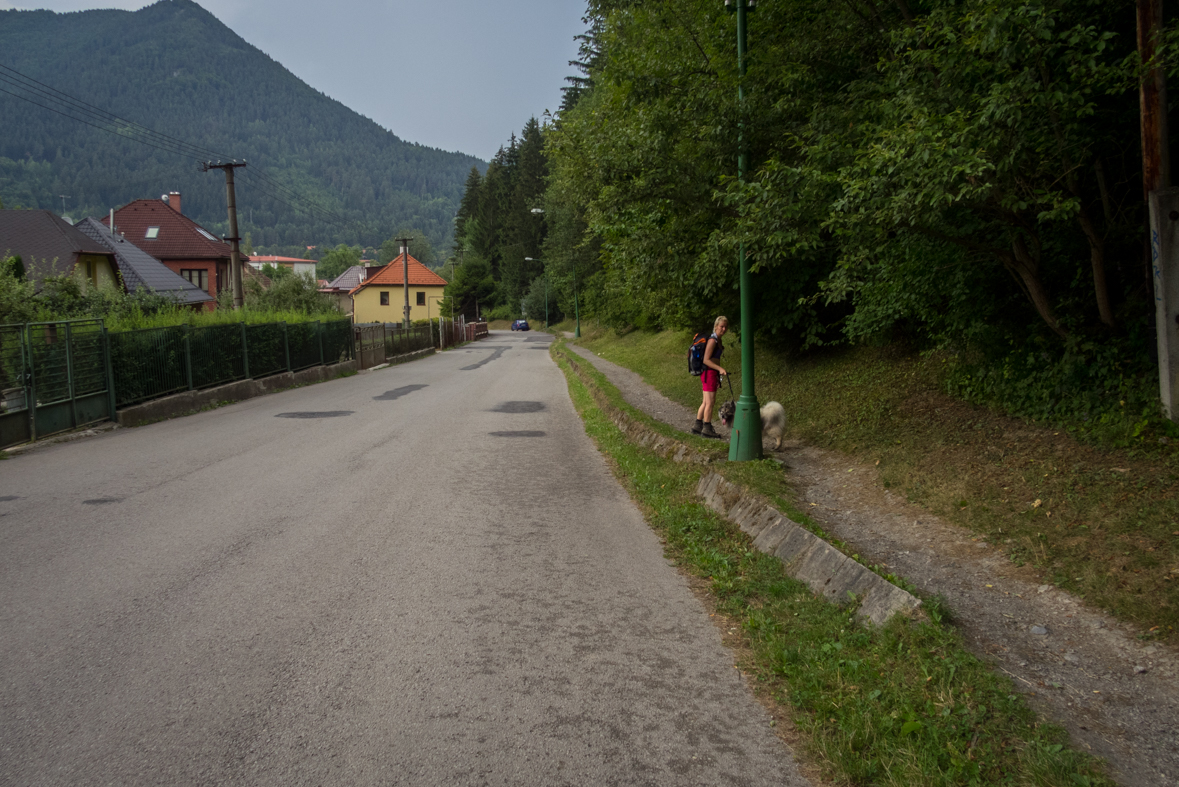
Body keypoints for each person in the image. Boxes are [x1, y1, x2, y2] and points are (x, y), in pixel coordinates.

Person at [693, 316, 728, 438]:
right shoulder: (713, 340)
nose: (724, 329)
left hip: (711, 374)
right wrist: (720, 369)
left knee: (705, 402)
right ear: (716, 326)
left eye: (725, 327)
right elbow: (706, 360)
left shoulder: (718, 339)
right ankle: (707, 428)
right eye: (721, 326)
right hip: (709, 372)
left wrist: (718, 376)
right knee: (710, 403)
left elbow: (715, 359)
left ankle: (697, 426)